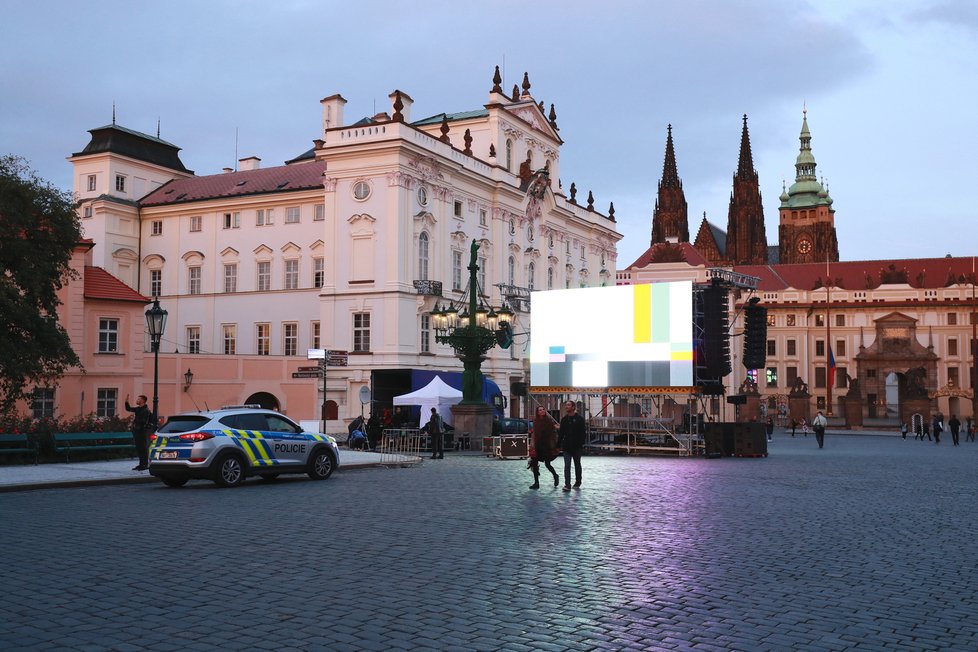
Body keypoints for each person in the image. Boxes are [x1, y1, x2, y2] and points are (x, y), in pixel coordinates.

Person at [557, 400, 586, 491]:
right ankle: (567, 484)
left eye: (568, 405)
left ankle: (578, 482)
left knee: (577, 464)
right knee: (567, 466)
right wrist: (558, 445)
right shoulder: (564, 419)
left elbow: (583, 433)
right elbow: (561, 433)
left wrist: (581, 444)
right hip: (567, 446)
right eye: (566, 405)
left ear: (573, 407)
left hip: (577, 446)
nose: (566, 407)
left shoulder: (580, 419)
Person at [529, 406, 560, 489]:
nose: (542, 411)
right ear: (537, 412)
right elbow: (534, 434)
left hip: (546, 445)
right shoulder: (535, 421)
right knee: (534, 463)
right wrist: (532, 445)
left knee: (547, 464)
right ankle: (536, 483)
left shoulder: (549, 421)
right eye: (540, 410)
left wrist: (554, 445)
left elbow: (553, 433)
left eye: (543, 409)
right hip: (537, 444)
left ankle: (555, 475)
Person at [124, 394, 153, 471]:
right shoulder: (138, 409)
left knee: (143, 448)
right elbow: (128, 409)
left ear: (143, 400)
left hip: (142, 432)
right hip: (137, 431)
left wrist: (136, 422)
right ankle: (141, 464)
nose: (137, 400)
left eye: (139, 399)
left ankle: (145, 464)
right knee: (139, 448)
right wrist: (126, 401)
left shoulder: (146, 410)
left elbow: (144, 421)